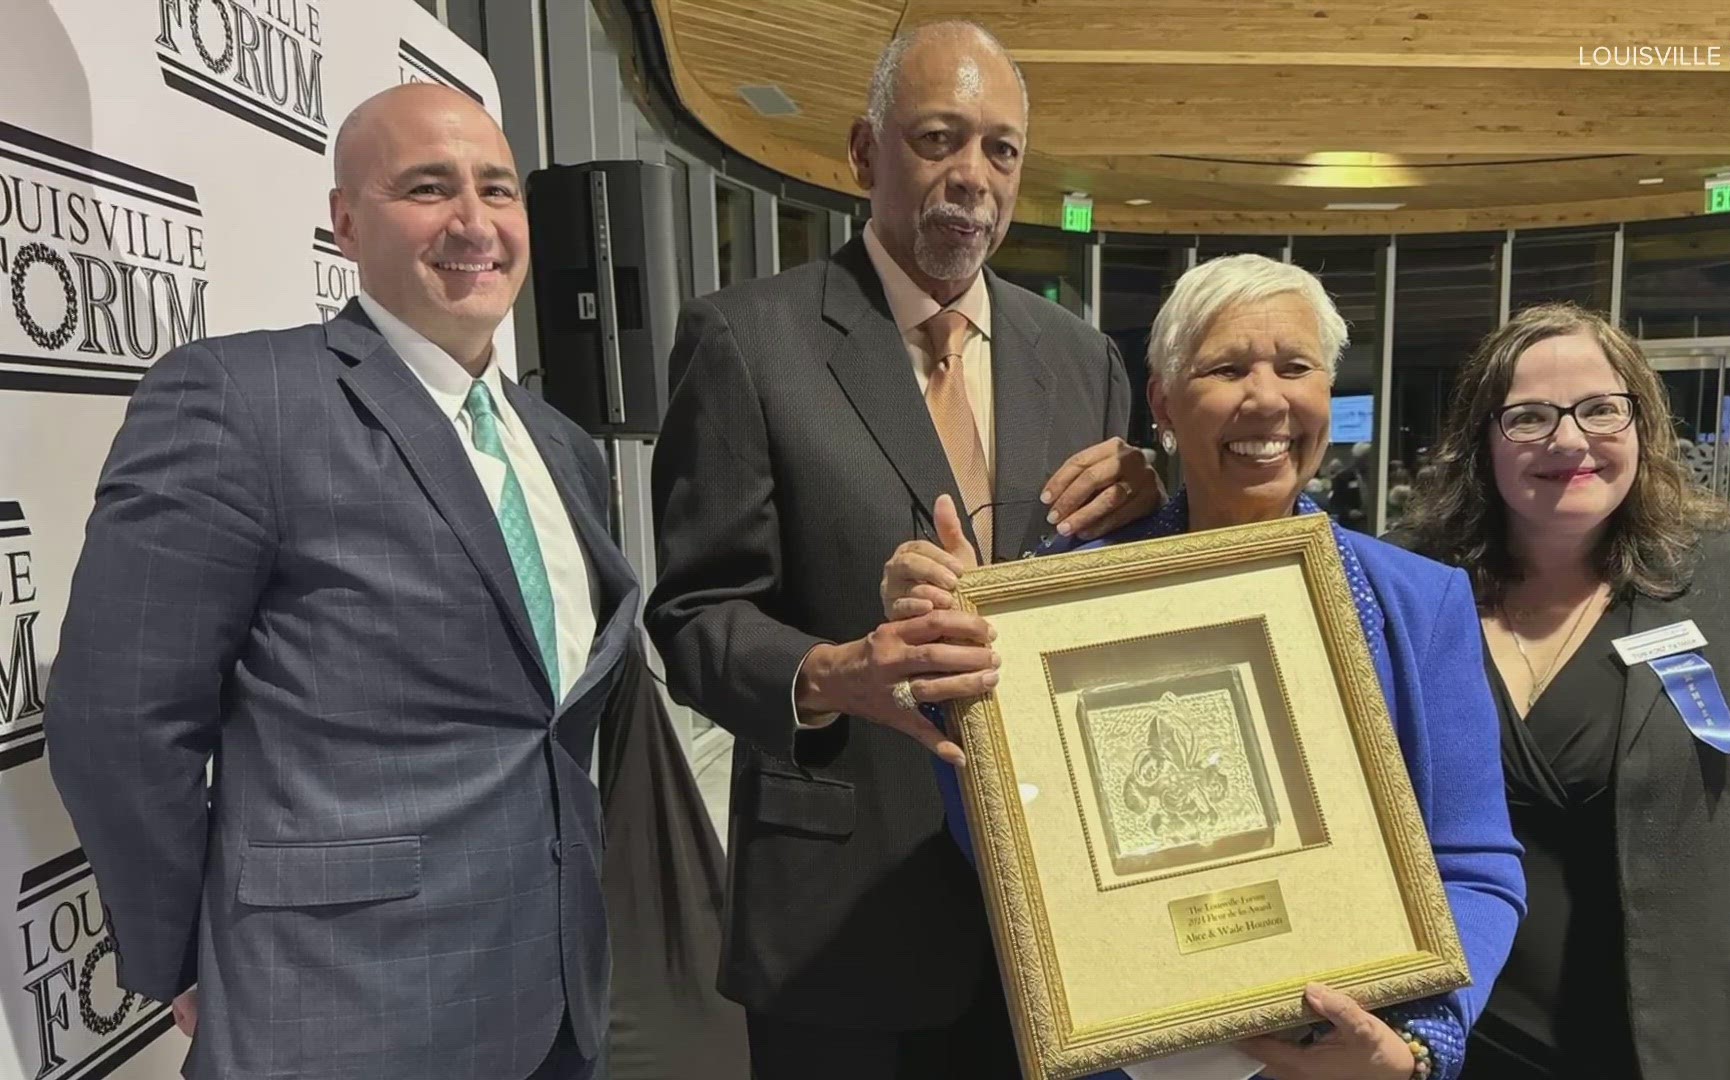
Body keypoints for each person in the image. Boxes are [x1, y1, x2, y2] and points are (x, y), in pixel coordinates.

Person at [42, 84, 639, 1080]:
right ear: (346, 222)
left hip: (553, 1002)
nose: (474, 221)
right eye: (427, 188)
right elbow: (117, 716)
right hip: (335, 1015)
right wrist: (187, 955)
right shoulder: (241, 400)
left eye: (498, 188)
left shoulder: (563, 449)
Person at [643, 21, 1160, 1080]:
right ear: (865, 153)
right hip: (843, 923)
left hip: (1055, 917)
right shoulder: (748, 341)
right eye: (939, 138)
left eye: (1001, 150)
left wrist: (1157, 507)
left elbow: (1100, 596)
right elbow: (695, 615)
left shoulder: (1080, 358)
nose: (973, 176)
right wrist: (832, 673)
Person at [879, 254, 1526, 1080]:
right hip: (1125, 1050)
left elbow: (1475, 867)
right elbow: (1006, 848)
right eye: (1226, 368)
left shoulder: (1419, 602)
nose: (1267, 399)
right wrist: (953, 669)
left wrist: (1414, 1047)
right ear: (1162, 403)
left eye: (1296, 367)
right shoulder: (1066, 596)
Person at [1403, 302, 1730, 1080]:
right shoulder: (1409, 590)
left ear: (1642, 424)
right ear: (1482, 441)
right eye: (1530, 417)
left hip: (1673, 1045)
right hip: (1443, 1042)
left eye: (1601, 410)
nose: (1570, 440)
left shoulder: (1727, 586)